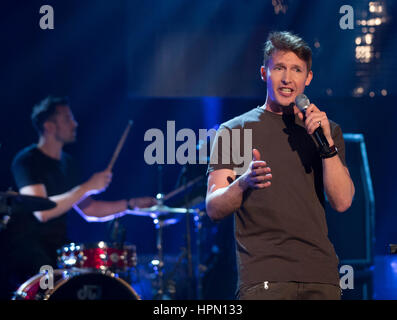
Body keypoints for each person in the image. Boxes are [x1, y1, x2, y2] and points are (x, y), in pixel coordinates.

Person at [205, 31, 355, 300]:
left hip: (320, 277)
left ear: (308, 78)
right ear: (265, 73)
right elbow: (213, 207)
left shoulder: (327, 130)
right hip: (264, 278)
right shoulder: (233, 131)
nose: (287, 78)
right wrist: (245, 182)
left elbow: (343, 201)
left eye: (297, 69)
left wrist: (327, 145)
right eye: (279, 68)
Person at [1, 96, 156, 299]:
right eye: (67, 119)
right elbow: (42, 212)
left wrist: (130, 204)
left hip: (58, 248)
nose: (75, 123)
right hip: (28, 248)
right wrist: (88, 186)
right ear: (48, 126)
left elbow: (89, 209)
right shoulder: (27, 161)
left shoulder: (69, 163)